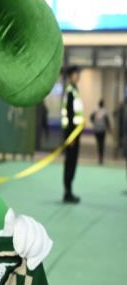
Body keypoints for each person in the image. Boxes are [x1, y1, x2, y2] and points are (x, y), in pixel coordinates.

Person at [61, 66, 84, 203]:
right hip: (72, 134)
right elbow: (69, 115)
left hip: (75, 133)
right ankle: (67, 193)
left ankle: (69, 191)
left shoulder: (75, 90)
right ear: (71, 75)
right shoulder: (70, 91)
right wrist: (71, 136)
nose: (78, 75)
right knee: (70, 163)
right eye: (76, 73)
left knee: (72, 163)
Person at [90, 99, 111, 165]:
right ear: (103, 104)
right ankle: (101, 157)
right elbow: (107, 121)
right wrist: (109, 129)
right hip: (102, 130)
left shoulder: (95, 111)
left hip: (97, 129)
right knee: (102, 144)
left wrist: (94, 123)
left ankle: (100, 157)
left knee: (99, 143)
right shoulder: (105, 111)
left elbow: (91, 117)